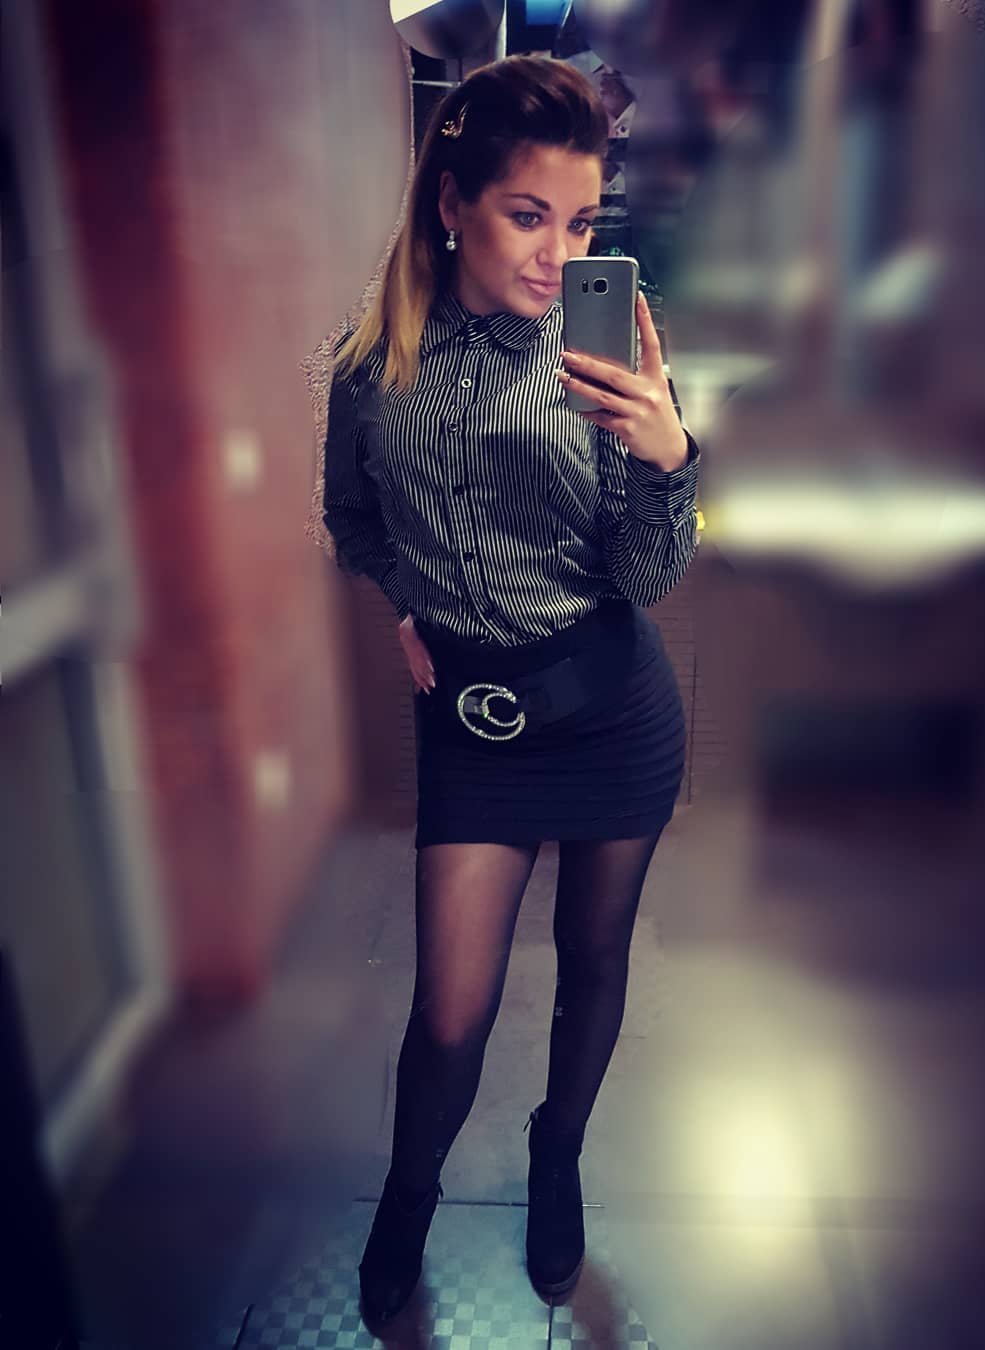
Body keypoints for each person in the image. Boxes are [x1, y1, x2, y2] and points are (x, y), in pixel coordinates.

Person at [319, 53, 701, 1329]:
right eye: (529, 214)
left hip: (612, 707)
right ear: (453, 203)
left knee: (595, 961)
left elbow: (644, 575)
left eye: (581, 223)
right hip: (474, 729)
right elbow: (352, 520)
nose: (558, 255)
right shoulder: (370, 374)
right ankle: (408, 1197)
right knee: (450, 1011)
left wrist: (668, 456)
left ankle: (556, 1157)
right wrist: (408, 602)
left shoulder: (604, 361)